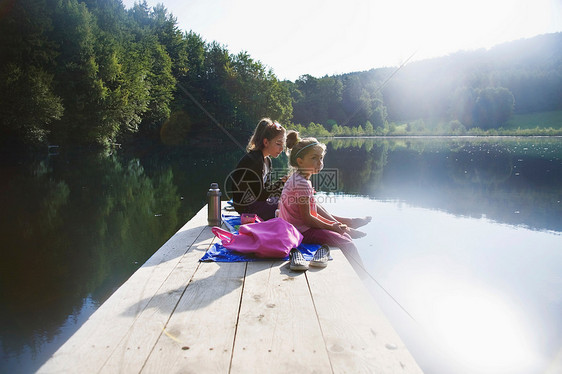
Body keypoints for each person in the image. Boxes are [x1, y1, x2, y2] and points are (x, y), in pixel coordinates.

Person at [279, 131, 371, 269]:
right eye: (314, 158)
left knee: (343, 235)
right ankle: (364, 278)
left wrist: (335, 226)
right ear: (300, 161)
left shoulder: (297, 177)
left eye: (321, 158)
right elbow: (308, 219)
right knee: (347, 243)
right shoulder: (302, 183)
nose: (319, 163)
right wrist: (332, 226)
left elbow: (311, 213)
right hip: (300, 231)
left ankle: (346, 225)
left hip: (295, 227)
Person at [228, 118, 287, 220]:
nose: (281, 149)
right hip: (247, 208)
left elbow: (267, 190)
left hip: (258, 203)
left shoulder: (267, 161)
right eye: (278, 144)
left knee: (291, 200)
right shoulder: (255, 160)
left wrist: (287, 188)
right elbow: (261, 196)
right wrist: (281, 182)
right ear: (266, 142)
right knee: (290, 206)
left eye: (283, 145)